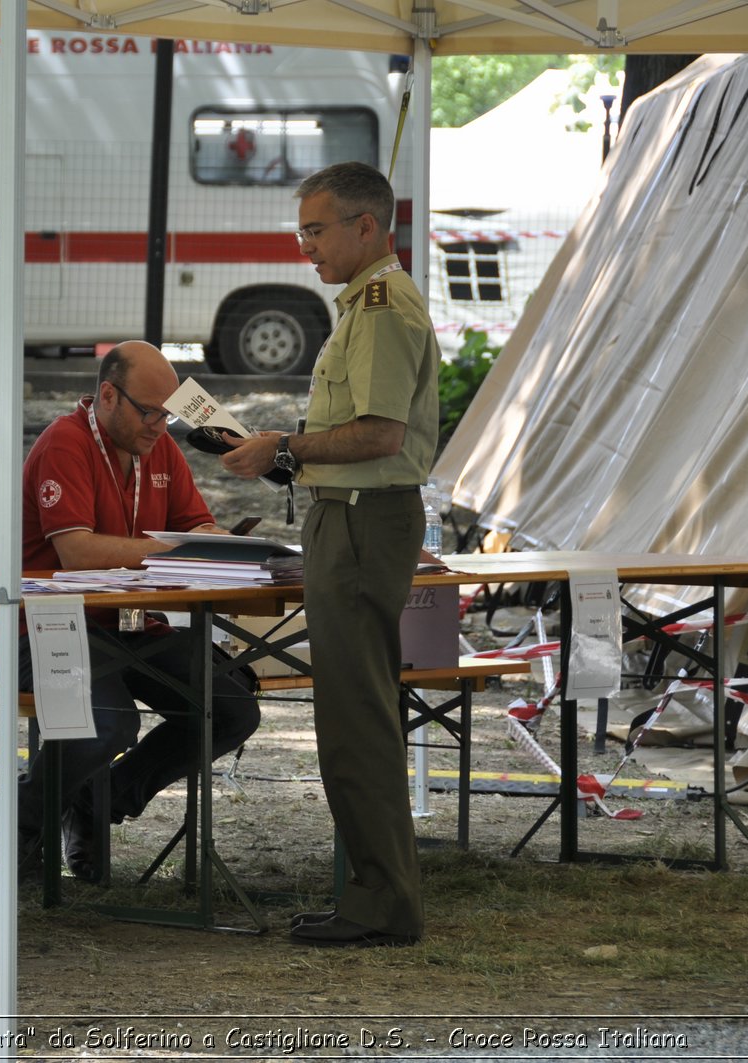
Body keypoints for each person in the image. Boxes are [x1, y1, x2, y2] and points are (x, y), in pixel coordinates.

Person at [219, 161, 439, 948]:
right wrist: (286, 451)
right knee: (351, 711)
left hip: (360, 520)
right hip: (350, 517)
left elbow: (379, 434)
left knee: (357, 716)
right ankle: (374, 893)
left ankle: (380, 901)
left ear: (367, 227)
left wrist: (285, 444)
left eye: (316, 229)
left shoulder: (380, 307)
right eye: (301, 228)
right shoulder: (365, 305)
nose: (304, 244)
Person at [0, 341, 261, 882]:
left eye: (169, 413)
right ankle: (27, 816)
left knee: (231, 710)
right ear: (108, 395)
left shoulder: (159, 448)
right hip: (41, 624)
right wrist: (179, 549)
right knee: (109, 724)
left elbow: (194, 524)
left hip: (128, 624)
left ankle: (97, 805)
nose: (160, 425)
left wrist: (216, 541)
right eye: (149, 412)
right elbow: (77, 553)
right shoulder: (65, 441)